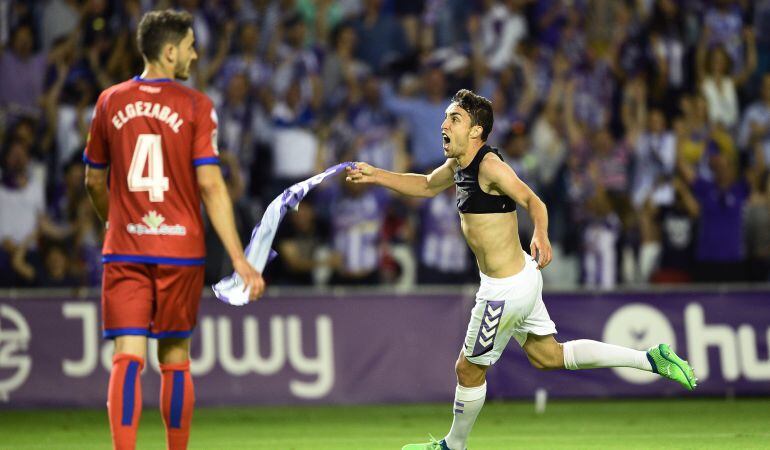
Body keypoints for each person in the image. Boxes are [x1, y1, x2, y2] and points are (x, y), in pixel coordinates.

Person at [345, 89, 697, 450]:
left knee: (467, 370)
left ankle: (453, 447)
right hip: (521, 279)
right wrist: (376, 175)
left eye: (455, 119)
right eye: (447, 117)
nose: (444, 124)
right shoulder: (457, 166)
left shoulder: (489, 166)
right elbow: (424, 184)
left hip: (504, 290)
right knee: (548, 356)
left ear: (477, 132)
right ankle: (649, 358)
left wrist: (542, 235)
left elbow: (534, 200)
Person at [83, 10, 265, 450]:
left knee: (128, 356)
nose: (195, 54)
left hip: (125, 247)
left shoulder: (109, 101)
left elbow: (92, 179)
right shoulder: (196, 106)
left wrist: (115, 220)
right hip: (180, 251)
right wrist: (239, 259)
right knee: (175, 358)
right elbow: (210, 184)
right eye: (188, 46)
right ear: (169, 52)